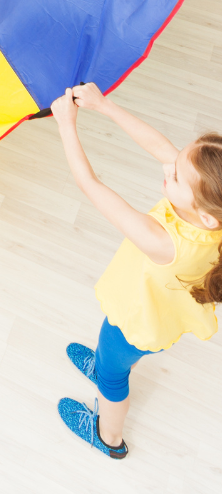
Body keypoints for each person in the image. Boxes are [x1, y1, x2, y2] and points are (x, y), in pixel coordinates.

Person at [50, 84, 221, 459]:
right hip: (157, 311)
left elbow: (89, 184)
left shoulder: (161, 241)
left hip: (136, 322)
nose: (168, 168)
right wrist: (104, 106)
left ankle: (109, 438)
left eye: (175, 176)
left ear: (205, 214)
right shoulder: (212, 213)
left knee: (113, 374)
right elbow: (162, 148)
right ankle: (105, 363)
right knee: (112, 351)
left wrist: (67, 124)